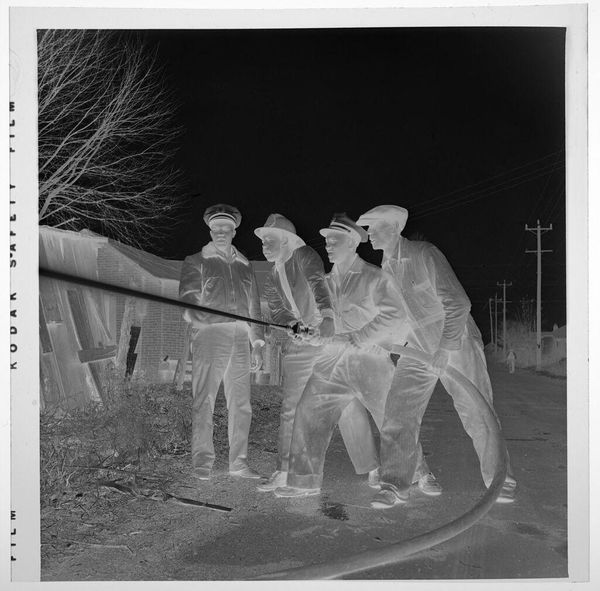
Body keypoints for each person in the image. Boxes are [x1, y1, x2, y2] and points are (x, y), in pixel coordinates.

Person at [356, 205, 516, 508]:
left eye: (374, 227)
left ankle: (500, 479)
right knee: (399, 409)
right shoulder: (386, 268)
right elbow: (399, 317)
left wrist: (445, 348)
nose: (369, 234)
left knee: (477, 411)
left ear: (394, 228)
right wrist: (385, 341)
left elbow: (458, 303)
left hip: (455, 340)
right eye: (367, 228)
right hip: (417, 346)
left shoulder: (424, 254)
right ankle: (394, 483)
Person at [273, 213, 428, 499]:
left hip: (369, 361)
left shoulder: (374, 277)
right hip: (331, 362)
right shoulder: (325, 283)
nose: (328, 246)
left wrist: (361, 336)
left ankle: (417, 471)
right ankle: (303, 481)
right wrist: (308, 332)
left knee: (392, 419)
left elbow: (395, 315)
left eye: (335, 241)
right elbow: (320, 321)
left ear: (353, 243)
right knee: (308, 412)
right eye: (326, 241)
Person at [254, 214, 380, 492]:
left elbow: (318, 285)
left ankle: (373, 466)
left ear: (284, 240)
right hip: (299, 346)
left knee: (347, 406)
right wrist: (292, 325)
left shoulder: (304, 256)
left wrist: (326, 318)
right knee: (291, 408)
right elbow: (277, 310)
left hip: (325, 342)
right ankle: (285, 470)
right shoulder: (272, 275)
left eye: (268, 239)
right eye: (262, 240)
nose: (263, 245)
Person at [179, 204, 264, 481]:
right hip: (210, 336)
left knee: (241, 403)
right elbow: (188, 304)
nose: (221, 233)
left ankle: (238, 463)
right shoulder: (196, 261)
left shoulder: (245, 265)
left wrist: (257, 342)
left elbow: (254, 307)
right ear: (210, 230)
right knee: (204, 399)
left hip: (240, 338)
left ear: (234, 231)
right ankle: (202, 461)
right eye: (216, 228)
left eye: (226, 228)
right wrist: (212, 315)